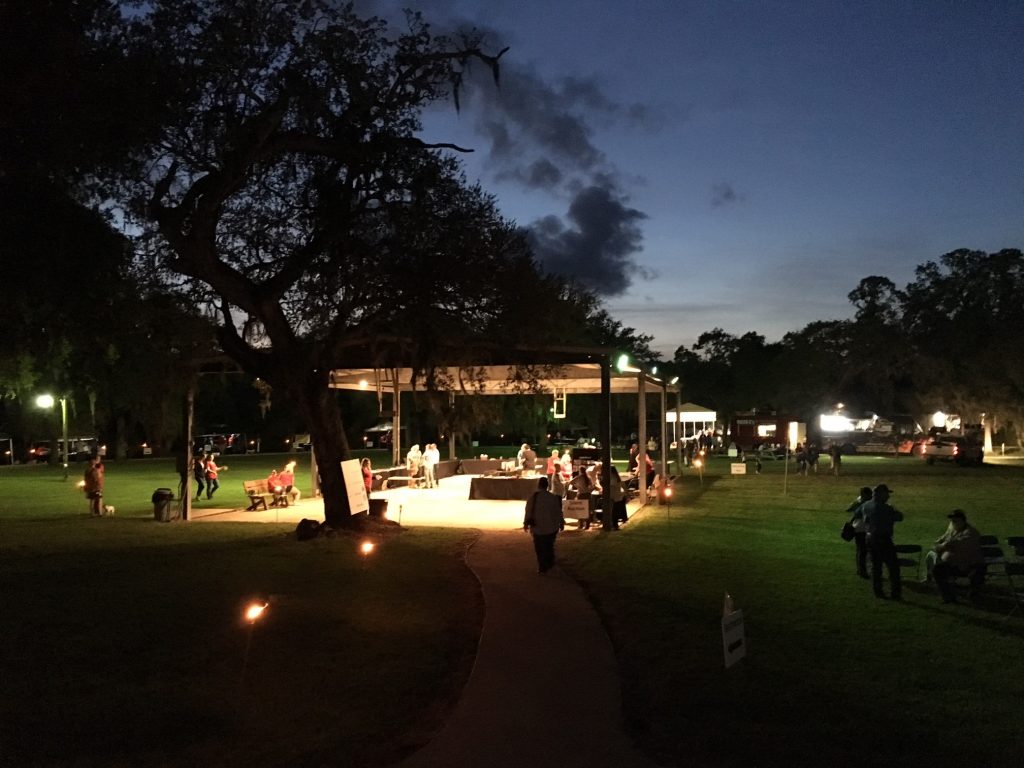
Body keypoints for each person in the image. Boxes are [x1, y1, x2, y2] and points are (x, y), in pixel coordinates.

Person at [926, 510, 984, 603]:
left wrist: (943, 545)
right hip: (953, 563)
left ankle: (965, 594)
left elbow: (957, 543)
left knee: (940, 570)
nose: (953, 523)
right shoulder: (952, 530)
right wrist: (938, 544)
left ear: (963, 521)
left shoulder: (971, 532)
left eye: (955, 521)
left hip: (969, 565)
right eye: (952, 521)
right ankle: (948, 597)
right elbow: (942, 539)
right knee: (937, 569)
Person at [860, 483, 904, 599]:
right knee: (893, 567)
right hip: (883, 539)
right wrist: (893, 508)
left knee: (876, 566)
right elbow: (900, 517)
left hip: (870, 538)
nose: (888, 497)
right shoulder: (886, 508)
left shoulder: (866, 505)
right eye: (886, 494)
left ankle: (878, 591)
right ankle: (895, 592)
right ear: (880, 494)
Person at [523, 476, 565, 573]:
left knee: (539, 547)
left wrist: (526, 523)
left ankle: (542, 565)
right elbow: (558, 511)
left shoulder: (533, 497)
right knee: (549, 545)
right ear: (547, 486)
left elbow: (528, 511)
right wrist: (561, 522)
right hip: (551, 526)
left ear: (538, 485)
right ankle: (549, 562)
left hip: (537, 526)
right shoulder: (552, 497)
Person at [846, 486, 873, 579]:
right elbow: (849, 509)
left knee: (861, 551)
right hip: (861, 529)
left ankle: (861, 570)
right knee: (862, 551)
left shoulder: (866, 501)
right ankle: (862, 571)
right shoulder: (861, 501)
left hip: (861, 528)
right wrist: (859, 504)